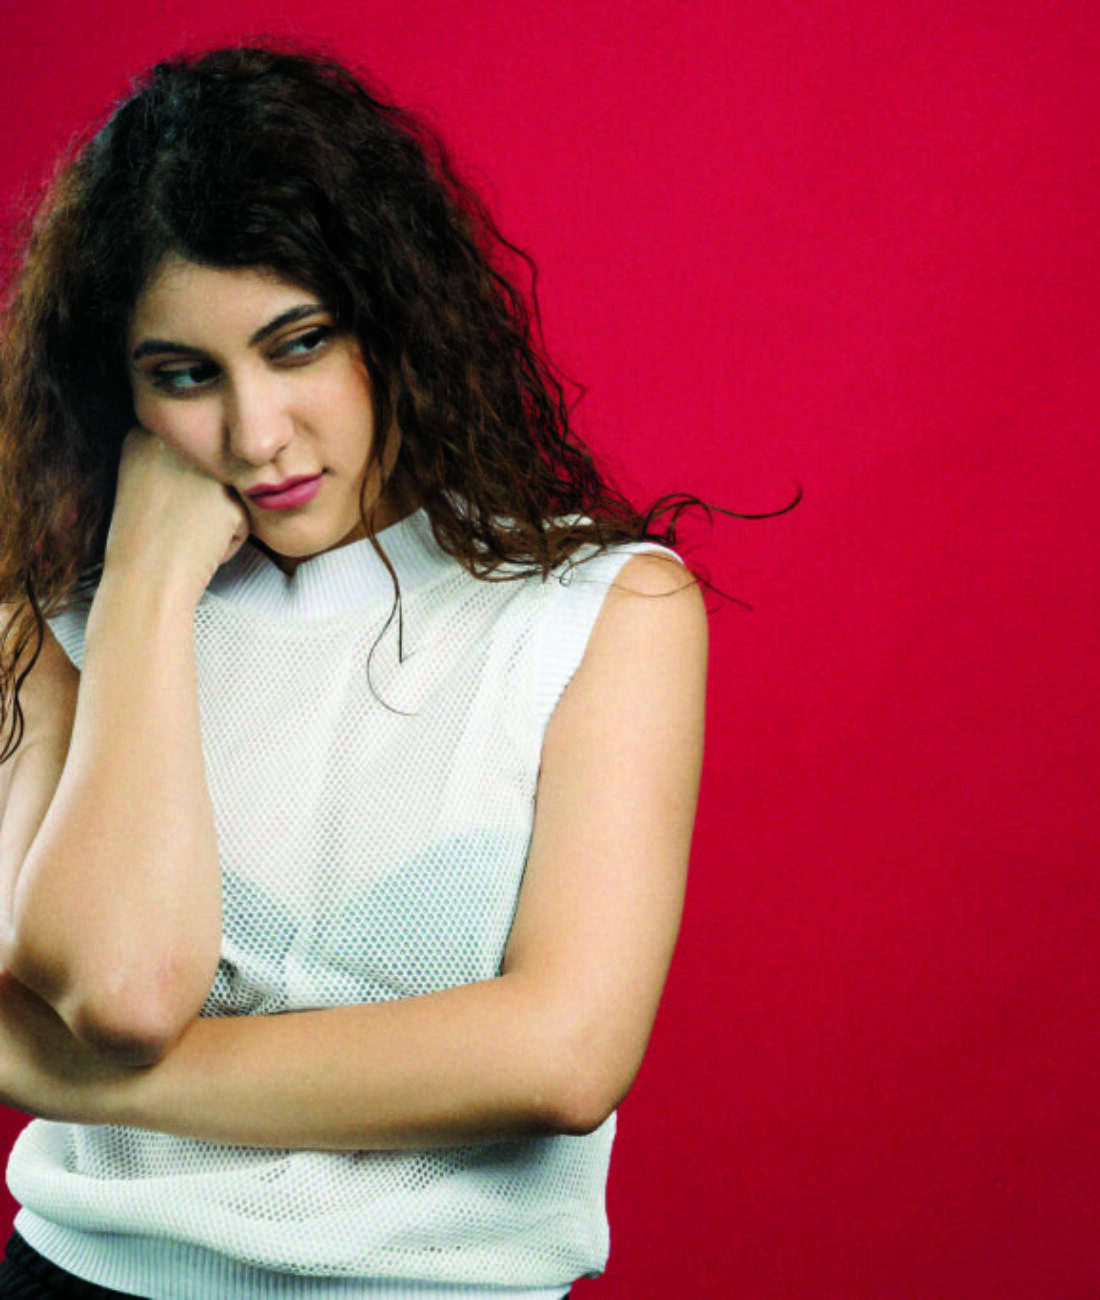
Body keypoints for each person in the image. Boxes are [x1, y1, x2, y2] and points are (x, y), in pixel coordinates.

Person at [0, 43, 775, 1300]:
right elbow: (132, 988)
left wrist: (57, 1072)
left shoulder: (597, 611)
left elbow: (563, 1056)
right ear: (121, 388)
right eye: (184, 376)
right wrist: (145, 589)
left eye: (297, 344)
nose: (255, 436)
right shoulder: (60, 627)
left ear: (394, 318)